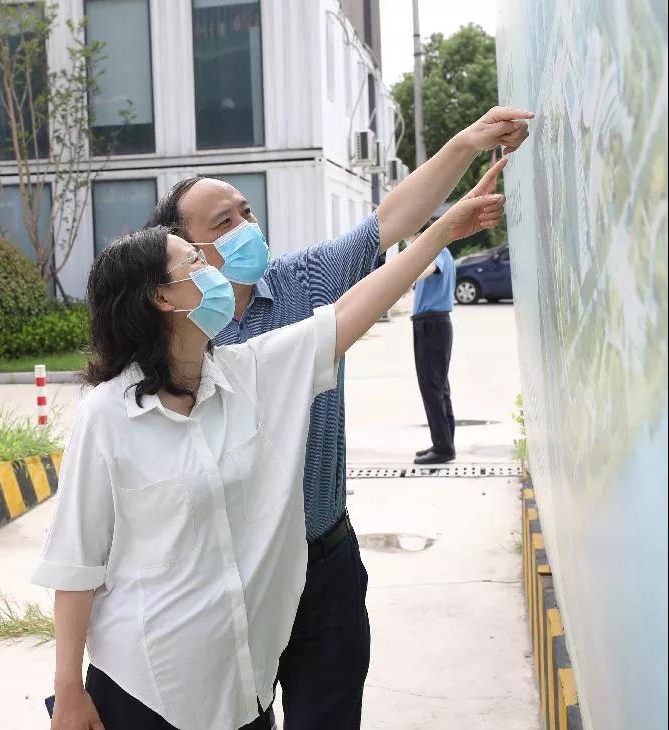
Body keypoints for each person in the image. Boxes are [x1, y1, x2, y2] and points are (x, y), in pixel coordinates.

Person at [33, 189, 507, 730]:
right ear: (162, 298)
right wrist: (68, 690)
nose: (213, 270)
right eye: (194, 262)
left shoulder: (248, 374)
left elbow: (348, 312)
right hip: (146, 688)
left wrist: (440, 232)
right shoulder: (107, 416)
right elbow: (76, 563)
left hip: (241, 690)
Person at [143, 107, 532, 728]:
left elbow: (389, 221)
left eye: (247, 212)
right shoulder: (174, 337)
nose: (246, 228)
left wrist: (465, 143)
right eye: (225, 222)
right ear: (184, 249)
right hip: (228, 577)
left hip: (324, 563)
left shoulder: (306, 282)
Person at [411, 233, 457, 464]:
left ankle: (443, 447)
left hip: (432, 324)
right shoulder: (440, 250)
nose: (410, 245)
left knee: (431, 387)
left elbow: (430, 268)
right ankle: (444, 443)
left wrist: (408, 272)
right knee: (439, 387)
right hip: (433, 323)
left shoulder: (434, 249)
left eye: (412, 239)